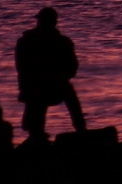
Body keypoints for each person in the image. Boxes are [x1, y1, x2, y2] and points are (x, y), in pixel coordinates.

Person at [14, 7, 86, 141]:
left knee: (40, 96)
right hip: (48, 86)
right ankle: (80, 128)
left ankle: (36, 133)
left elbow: (21, 68)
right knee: (68, 95)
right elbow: (72, 67)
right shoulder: (62, 42)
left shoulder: (26, 41)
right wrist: (61, 77)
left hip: (39, 87)